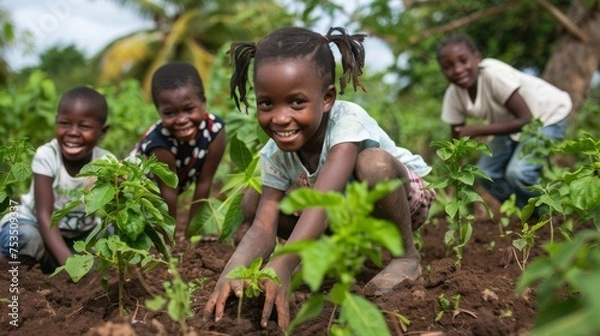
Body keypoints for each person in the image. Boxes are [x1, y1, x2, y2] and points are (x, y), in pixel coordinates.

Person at [203, 26, 436, 329]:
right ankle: (324, 263)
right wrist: (231, 272)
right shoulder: (274, 153)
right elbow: (262, 227)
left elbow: (323, 203)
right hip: (343, 217)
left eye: (296, 102)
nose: (281, 117)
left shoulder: (346, 123)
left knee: (372, 164)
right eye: (266, 104)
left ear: (327, 98)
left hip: (402, 200)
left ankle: (405, 256)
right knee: (255, 200)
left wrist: (283, 263)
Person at [436, 34, 571, 208]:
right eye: (448, 66)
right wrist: (452, 183)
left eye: (463, 60)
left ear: (477, 58)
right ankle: (520, 209)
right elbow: (455, 141)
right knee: (484, 173)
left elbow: (526, 120)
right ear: (442, 71)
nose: (457, 69)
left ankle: (546, 214)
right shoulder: (454, 95)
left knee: (518, 173)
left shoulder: (493, 74)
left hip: (546, 116)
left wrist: (477, 130)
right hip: (509, 125)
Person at [0, 86, 112, 274]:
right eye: (65, 123)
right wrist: (72, 268)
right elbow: (45, 216)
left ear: (103, 131)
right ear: (56, 123)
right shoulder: (47, 155)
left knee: (112, 237)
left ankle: (52, 266)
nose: (73, 132)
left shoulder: (105, 163)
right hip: (35, 225)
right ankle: (13, 270)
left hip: (79, 235)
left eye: (84, 126)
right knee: (25, 237)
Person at [129, 62, 226, 239]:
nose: (181, 120)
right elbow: (168, 192)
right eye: (170, 113)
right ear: (159, 112)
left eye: (189, 109)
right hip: (139, 194)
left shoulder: (215, 131)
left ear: (203, 103)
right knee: (138, 236)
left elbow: (204, 183)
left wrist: (192, 234)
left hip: (167, 193)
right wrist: (170, 240)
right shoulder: (159, 144)